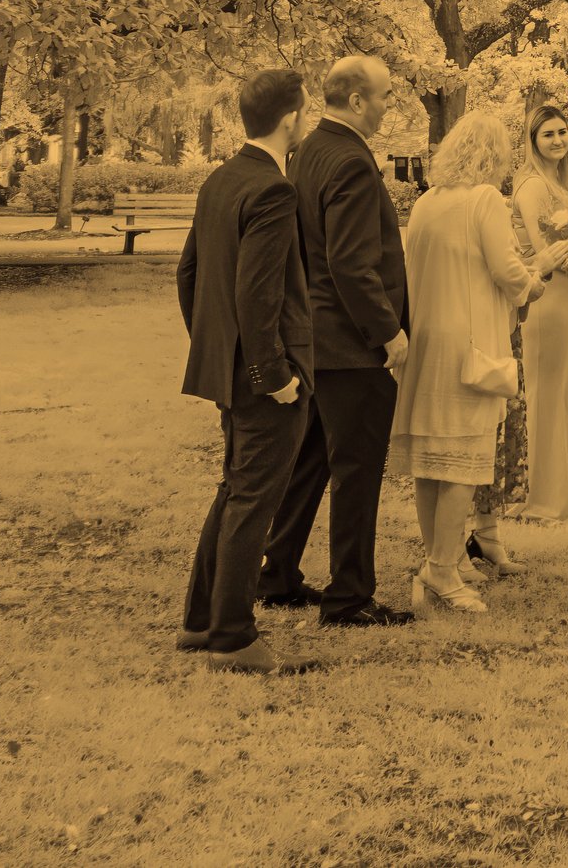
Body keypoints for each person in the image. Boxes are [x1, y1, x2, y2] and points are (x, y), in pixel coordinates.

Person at [392, 110, 568, 613]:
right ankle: (443, 574)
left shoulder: (427, 202)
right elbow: (510, 275)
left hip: (426, 344)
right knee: (463, 466)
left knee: (431, 466)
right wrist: (542, 270)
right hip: (470, 346)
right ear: (494, 156)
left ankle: (437, 563)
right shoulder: (484, 199)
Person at [260, 55, 414, 629]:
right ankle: (349, 596)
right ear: (356, 101)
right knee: (357, 469)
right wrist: (388, 332)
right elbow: (350, 263)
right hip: (352, 346)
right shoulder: (348, 159)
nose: (386, 105)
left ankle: (275, 574)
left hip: (314, 340)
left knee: (310, 464)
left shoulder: (308, 152)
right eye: (383, 96)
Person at [176, 68, 316, 675]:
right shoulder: (271, 190)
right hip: (263, 377)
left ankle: (201, 620)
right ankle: (232, 635)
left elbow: (189, 277)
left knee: (236, 488)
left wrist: (218, 349)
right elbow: (257, 295)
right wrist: (273, 374)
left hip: (227, 369)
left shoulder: (220, 181)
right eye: (304, 113)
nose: (305, 121)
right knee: (253, 498)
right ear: (290, 120)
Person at [489, 102, 568, 534]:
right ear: (532, 140)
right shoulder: (530, 186)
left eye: (562, 132)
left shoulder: (564, 181)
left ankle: (565, 494)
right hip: (545, 299)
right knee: (544, 391)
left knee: (563, 390)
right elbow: (550, 251)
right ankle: (541, 497)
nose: (558, 140)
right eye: (548, 135)